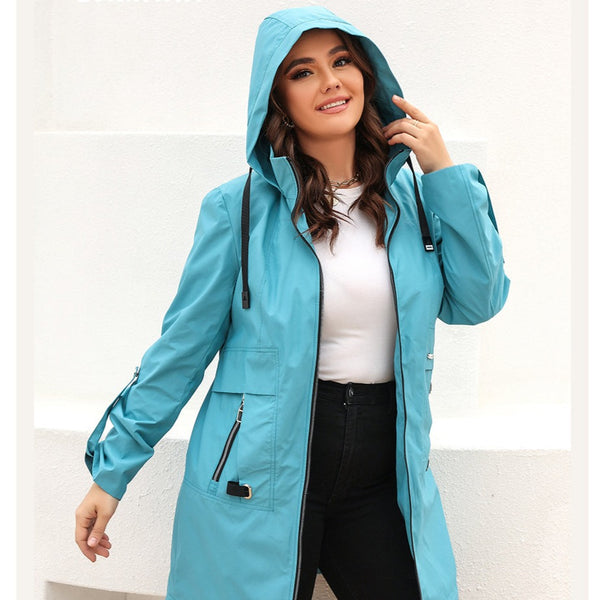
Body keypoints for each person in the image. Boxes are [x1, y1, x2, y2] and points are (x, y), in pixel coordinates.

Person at [75, 6, 510, 600]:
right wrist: (112, 471)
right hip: (261, 474)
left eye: (342, 62)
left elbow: (477, 301)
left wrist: (446, 174)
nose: (331, 81)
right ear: (277, 99)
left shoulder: (413, 199)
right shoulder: (239, 208)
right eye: (303, 72)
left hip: (385, 476)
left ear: (367, 76)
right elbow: (180, 350)